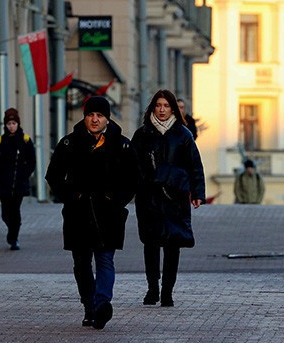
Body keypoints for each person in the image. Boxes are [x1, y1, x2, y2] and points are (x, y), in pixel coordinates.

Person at [45, 96, 138, 330]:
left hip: (109, 213)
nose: (95, 119)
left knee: (105, 259)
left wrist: (116, 200)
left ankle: (102, 303)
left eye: (100, 115)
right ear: (84, 117)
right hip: (79, 213)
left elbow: (134, 178)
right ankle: (90, 305)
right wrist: (72, 196)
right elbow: (53, 176)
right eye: (90, 115)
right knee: (82, 262)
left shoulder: (122, 144)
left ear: (107, 118)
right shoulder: (69, 143)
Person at [132, 89, 205, 307]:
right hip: (149, 197)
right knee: (151, 243)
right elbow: (132, 165)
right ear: (153, 108)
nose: (162, 110)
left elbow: (195, 165)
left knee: (173, 244)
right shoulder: (143, 134)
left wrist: (198, 193)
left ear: (172, 108)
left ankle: (167, 291)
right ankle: (152, 288)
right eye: (158, 105)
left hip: (175, 197)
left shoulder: (183, 134)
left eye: (166, 106)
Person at [0, 108, 36, 251]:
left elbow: (31, 161)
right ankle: (12, 230)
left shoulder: (26, 140)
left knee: (15, 211)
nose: (11, 126)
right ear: (5, 125)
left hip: (19, 183)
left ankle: (13, 238)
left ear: (18, 124)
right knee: (5, 214)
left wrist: (24, 174)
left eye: (14, 123)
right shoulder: (0, 141)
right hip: (4, 184)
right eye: (9, 123)